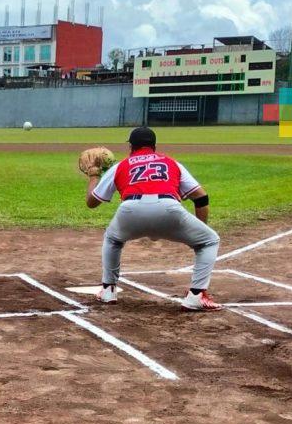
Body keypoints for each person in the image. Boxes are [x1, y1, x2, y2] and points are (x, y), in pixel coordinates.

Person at [84, 127, 223, 312]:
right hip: (168, 209)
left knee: (113, 239)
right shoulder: (171, 163)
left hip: (130, 210)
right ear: (154, 147)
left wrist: (94, 175)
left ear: (131, 147)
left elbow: (92, 202)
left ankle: (108, 291)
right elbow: (201, 198)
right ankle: (196, 295)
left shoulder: (121, 165)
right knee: (209, 240)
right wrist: (197, 234)